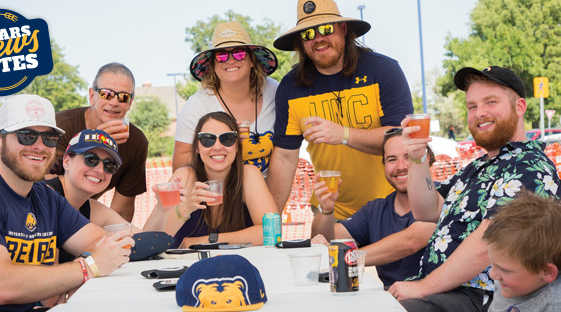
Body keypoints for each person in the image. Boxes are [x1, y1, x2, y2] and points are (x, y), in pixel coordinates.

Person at [0, 94, 133, 311]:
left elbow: (101, 243)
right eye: (27, 135)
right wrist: (86, 268)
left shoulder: (45, 197)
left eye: (49, 138)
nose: (39, 146)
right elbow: (2, 286)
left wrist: (72, 276)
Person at [388, 66, 561, 311]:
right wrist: (416, 158)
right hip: (443, 292)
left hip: (479, 296)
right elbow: (426, 210)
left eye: (490, 102)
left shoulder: (530, 166)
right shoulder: (479, 165)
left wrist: (424, 286)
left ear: (520, 107)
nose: (480, 113)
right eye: (472, 106)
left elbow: (490, 242)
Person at [268, 0, 414, 219]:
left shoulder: (383, 70)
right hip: (330, 212)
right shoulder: (291, 87)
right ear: (301, 42)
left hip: (392, 206)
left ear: (343, 29)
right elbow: (284, 158)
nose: (318, 39)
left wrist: (343, 134)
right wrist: (269, 221)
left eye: (326, 29)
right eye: (308, 35)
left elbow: (400, 139)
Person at [311, 128, 437, 287]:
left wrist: (344, 255)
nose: (400, 166)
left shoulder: (442, 195)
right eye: (391, 159)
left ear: (426, 159)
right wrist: (326, 210)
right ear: (384, 165)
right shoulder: (376, 209)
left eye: (409, 156)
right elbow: (323, 240)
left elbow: (410, 242)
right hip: (392, 300)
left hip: (437, 299)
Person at [148, 112, 278, 249]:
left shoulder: (248, 174)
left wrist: (210, 240)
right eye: (207, 140)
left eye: (227, 139)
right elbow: (151, 242)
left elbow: (272, 231)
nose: (217, 147)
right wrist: (186, 208)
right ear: (197, 147)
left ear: (237, 146)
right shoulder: (184, 178)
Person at [173, 21, 279, 177]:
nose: (230, 60)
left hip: (269, 193)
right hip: (221, 193)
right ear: (213, 66)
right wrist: (221, 145)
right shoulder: (198, 105)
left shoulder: (274, 91)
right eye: (221, 55)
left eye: (239, 53)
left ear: (251, 61)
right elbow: (178, 164)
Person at [49, 62, 148, 223]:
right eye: (106, 94)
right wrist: (96, 140)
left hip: (86, 219)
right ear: (92, 95)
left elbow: (121, 212)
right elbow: (44, 189)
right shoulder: (60, 126)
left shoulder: (136, 142)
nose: (114, 102)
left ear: (130, 103)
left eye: (123, 97)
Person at [43, 129, 142, 265]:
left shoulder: (92, 208)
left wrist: (165, 209)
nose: (100, 170)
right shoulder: (44, 198)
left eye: (109, 165)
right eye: (91, 159)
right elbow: (48, 276)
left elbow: (142, 241)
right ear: (66, 161)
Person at [482, 190, 561, 312]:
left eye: (504, 270)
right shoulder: (505, 282)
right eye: (493, 265)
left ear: (547, 272)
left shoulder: (554, 303)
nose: (492, 275)